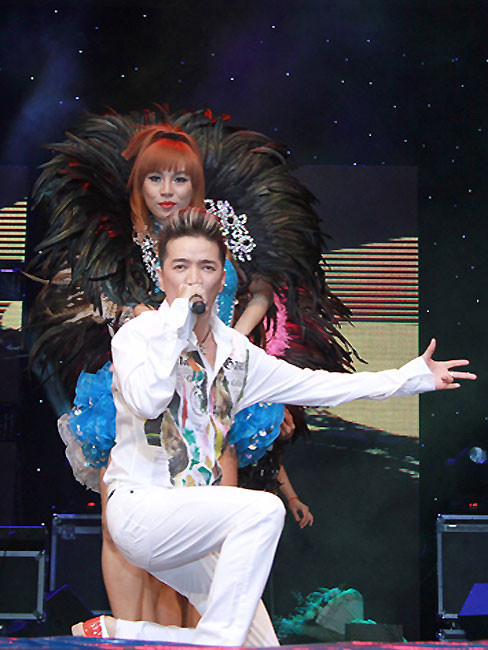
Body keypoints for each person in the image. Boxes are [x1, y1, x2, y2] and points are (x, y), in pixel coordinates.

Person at [71, 208, 475, 645]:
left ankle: (134, 632)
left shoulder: (238, 355)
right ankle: (205, 637)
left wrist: (411, 377)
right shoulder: (138, 336)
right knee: (263, 510)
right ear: (163, 275)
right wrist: (175, 325)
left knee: (262, 644)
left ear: (222, 277)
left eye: (206, 267)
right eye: (180, 267)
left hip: (191, 522)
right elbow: (148, 400)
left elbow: (321, 387)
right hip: (140, 509)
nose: (194, 280)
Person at [29, 117, 315, 624]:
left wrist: (235, 339)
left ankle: (196, 632)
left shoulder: (222, 230)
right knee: (127, 531)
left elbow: (263, 286)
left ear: (195, 183)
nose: (167, 190)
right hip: (149, 383)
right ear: (138, 185)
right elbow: (100, 299)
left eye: (179, 179)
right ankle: (135, 631)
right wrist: (138, 316)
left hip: (210, 389)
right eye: (154, 178)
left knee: (213, 524)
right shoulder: (123, 238)